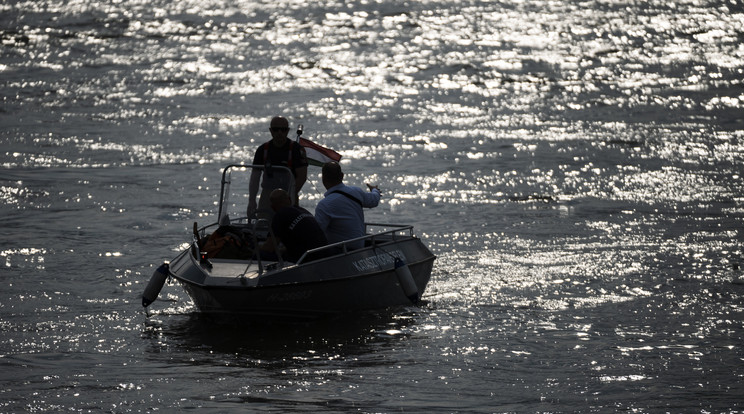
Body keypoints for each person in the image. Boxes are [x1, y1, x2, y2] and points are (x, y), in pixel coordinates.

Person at [247, 116, 308, 218]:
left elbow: (301, 177)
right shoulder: (262, 150)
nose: (279, 132)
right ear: (271, 131)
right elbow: (255, 178)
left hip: (288, 195)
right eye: (276, 129)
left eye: (283, 130)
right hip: (267, 196)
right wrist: (251, 201)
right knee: (264, 224)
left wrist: (288, 197)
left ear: (287, 131)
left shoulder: (296, 150)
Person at [314, 162, 381, 250]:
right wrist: (375, 190)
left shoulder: (324, 205)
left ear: (323, 178)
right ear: (342, 176)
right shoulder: (356, 192)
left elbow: (316, 234)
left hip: (339, 252)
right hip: (360, 247)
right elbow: (374, 200)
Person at [260, 189, 328, 263]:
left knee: (260, 254)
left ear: (272, 207)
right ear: (289, 199)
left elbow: (269, 247)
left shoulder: (280, 215)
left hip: (306, 259)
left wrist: (253, 249)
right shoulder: (302, 210)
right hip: (324, 254)